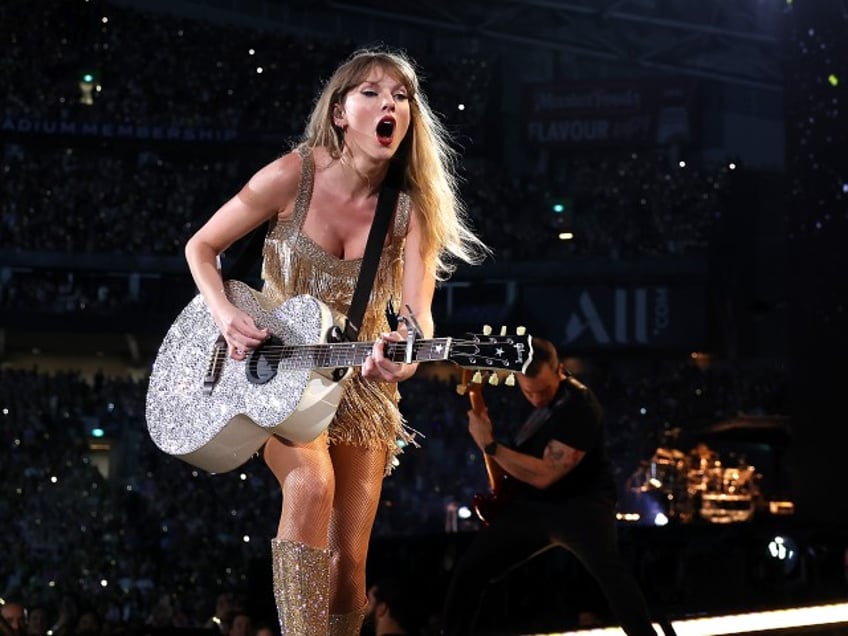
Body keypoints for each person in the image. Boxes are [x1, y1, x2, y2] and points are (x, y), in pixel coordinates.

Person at [183, 46, 487, 635]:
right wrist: (223, 312)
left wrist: (404, 352)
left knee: (350, 563)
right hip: (277, 372)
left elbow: (419, 317)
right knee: (310, 481)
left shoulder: (409, 212)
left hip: (359, 384)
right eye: (371, 92)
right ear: (341, 112)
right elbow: (201, 246)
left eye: (401, 96)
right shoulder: (293, 175)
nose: (389, 104)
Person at [440, 337, 656, 636]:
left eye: (543, 390)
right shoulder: (527, 396)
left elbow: (545, 474)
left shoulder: (581, 406)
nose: (537, 398)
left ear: (560, 371)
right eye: (528, 392)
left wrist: (489, 445)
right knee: (470, 570)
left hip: (583, 505)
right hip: (536, 506)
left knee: (613, 579)